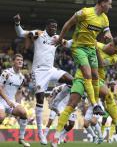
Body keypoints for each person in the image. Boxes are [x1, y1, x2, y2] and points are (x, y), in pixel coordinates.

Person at [51, 37, 117, 147]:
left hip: (96, 80)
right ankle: (56, 138)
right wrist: (66, 42)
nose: (115, 53)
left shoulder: (114, 57)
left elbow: (101, 64)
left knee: (108, 96)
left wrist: (95, 48)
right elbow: (80, 40)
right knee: (70, 105)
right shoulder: (97, 44)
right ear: (111, 45)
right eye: (115, 50)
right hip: (81, 77)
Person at [13, 14, 73, 145]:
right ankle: (40, 133)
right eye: (52, 27)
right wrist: (17, 23)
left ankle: (55, 103)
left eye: (56, 27)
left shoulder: (57, 38)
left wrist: (81, 38)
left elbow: (68, 44)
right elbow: (21, 33)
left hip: (51, 69)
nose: (54, 29)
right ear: (47, 27)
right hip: (38, 71)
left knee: (72, 81)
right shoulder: (38, 34)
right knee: (40, 99)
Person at [56, 0, 113, 115]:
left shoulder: (105, 19)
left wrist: (108, 35)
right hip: (79, 48)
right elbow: (68, 24)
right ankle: (94, 104)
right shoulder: (85, 12)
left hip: (91, 48)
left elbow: (107, 32)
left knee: (95, 76)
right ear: (103, 3)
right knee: (87, 74)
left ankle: (95, 103)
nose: (111, 6)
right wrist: (60, 38)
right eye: (109, 3)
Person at [0, 54, 30, 147]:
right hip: (1, 100)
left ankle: (21, 139)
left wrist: (18, 105)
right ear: (13, 62)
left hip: (12, 102)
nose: (20, 61)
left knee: (24, 113)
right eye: (18, 60)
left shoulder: (21, 77)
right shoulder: (6, 73)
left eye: (21, 60)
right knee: (1, 117)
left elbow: (19, 92)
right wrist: (7, 100)